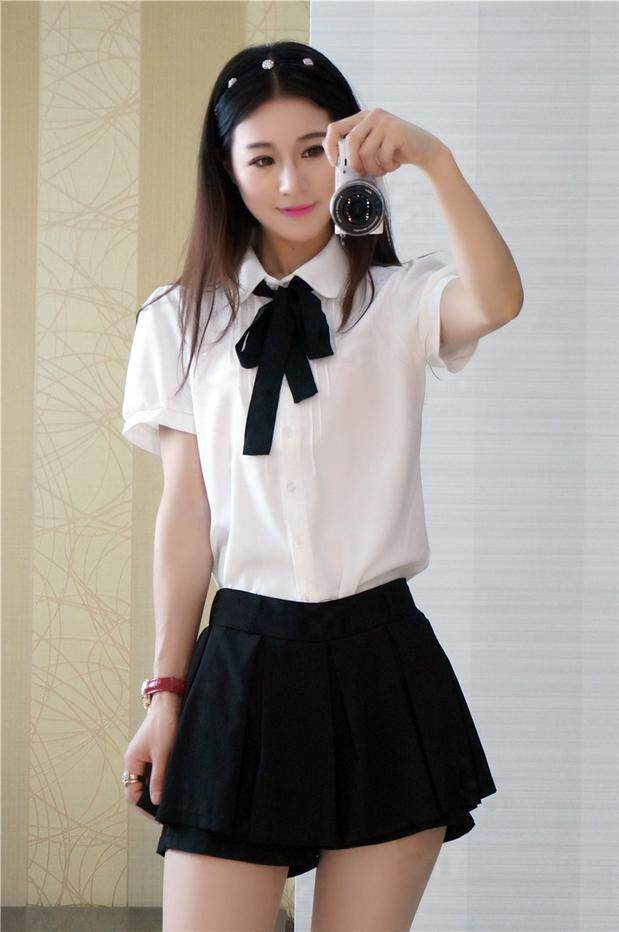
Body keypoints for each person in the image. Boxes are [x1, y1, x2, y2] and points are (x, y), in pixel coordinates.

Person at [120, 39, 522, 932]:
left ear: (347, 150)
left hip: (379, 663)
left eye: (313, 150)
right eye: (261, 158)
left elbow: (497, 301)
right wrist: (165, 695)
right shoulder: (178, 319)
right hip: (242, 662)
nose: (292, 181)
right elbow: (185, 514)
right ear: (227, 171)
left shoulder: (400, 299)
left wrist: (434, 159)